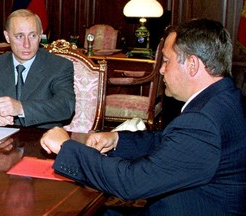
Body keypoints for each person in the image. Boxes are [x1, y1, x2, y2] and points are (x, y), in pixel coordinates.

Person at [40, 18, 246, 215]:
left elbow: (131, 182)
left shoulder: (203, 122)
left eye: (166, 61)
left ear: (192, 64)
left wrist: (67, 149)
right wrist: (117, 140)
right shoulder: (225, 98)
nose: (162, 71)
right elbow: (170, 142)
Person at [0, 9, 75, 129]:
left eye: (32, 35)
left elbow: (66, 106)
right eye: (19, 36)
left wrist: (21, 108)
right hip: (1, 142)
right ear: (7, 37)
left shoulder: (58, 66)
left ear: (40, 35)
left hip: (41, 140)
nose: (26, 44)